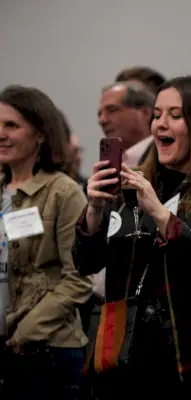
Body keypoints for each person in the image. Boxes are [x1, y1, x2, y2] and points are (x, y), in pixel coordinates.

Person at [73, 76, 191, 399]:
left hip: (188, 361)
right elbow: (86, 263)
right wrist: (95, 210)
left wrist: (160, 214)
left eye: (175, 116)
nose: (160, 125)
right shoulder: (131, 184)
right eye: (157, 114)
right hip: (122, 359)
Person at [0, 85, 91, 399]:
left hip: (48, 350)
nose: (1, 134)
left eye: (11, 126)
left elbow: (79, 278)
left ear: (40, 134)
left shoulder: (63, 192)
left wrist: (25, 333)